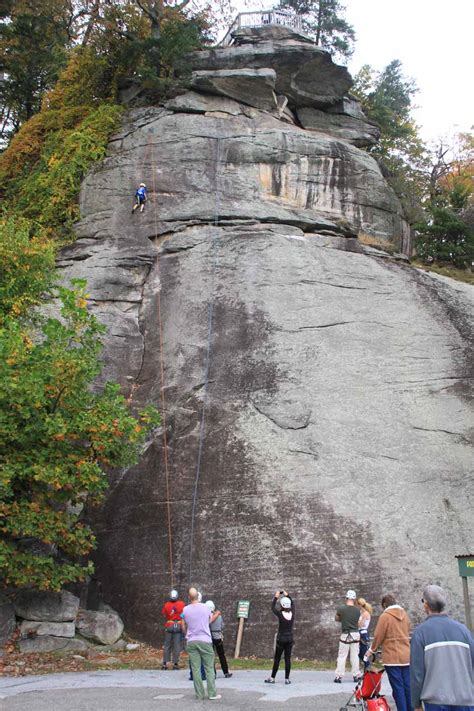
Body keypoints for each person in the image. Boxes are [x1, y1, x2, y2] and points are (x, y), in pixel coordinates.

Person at [410, 584, 474, 711]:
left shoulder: (420, 633)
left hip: (435, 700)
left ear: (426, 605)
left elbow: (417, 673)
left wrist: (416, 703)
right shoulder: (464, 631)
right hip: (465, 698)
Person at [364, 593, 411, 711]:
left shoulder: (385, 616)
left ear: (384, 605)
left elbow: (379, 635)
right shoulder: (405, 614)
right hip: (406, 656)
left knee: (398, 688)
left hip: (392, 657)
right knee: (407, 687)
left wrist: (371, 650)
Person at [182, 587, 221, 701]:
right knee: (209, 668)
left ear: (189, 597)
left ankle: (199, 694)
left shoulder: (185, 610)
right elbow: (209, 621)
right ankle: (212, 693)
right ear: (198, 596)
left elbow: (184, 624)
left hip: (191, 641)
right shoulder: (205, 607)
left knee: (196, 669)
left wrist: (187, 634)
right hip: (205, 640)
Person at [264, 590, 295, 685]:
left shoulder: (280, 614)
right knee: (287, 659)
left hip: (281, 639)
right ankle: (287, 679)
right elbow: (293, 604)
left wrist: (276, 597)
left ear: (282, 605)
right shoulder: (292, 612)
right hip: (290, 639)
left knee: (277, 659)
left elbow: (272, 607)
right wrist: (287, 595)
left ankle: (272, 678)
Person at [334, 589, 362, 683]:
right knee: (355, 656)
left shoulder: (341, 609)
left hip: (345, 634)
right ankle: (356, 675)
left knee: (342, 656)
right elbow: (358, 623)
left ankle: (339, 676)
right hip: (355, 634)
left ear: (346, 598)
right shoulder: (358, 611)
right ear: (354, 599)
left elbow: (337, 618)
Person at [206, 600, 232, 678]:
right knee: (221, 655)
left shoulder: (207, 617)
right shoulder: (219, 616)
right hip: (218, 636)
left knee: (211, 656)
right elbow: (222, 626)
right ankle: (226, 672)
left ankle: (213, 673)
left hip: (210, 637)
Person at [161, 589, 184, 670]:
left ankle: (165, 664)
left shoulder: (166, 605)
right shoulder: (182, 604)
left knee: (167, 645)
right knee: (177, 645)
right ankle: (175, 664)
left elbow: (164, 614)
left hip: (169, 625)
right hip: (178, 625)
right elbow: (183, 615)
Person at [357, 597, 373, 662]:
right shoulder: (362, 613)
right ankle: (367, 667)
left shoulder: (365, 614)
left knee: (363, 652)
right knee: (359, 652)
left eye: (358, 604)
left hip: (363, 633)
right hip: (360, 633)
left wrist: (356, 622)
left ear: (360, 605)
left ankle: (368, 666)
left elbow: (360, 625)